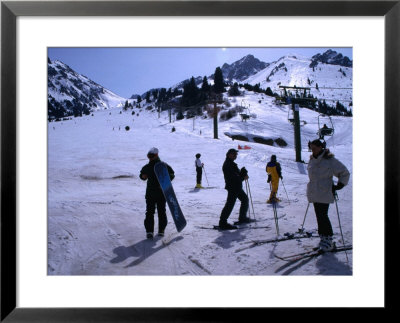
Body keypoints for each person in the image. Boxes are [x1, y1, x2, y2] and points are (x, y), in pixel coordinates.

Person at [307, 139, 350, 251]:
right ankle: (323, 238)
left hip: (325, 192)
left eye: (315, 148)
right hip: (314, 192)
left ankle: (329, 240)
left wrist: (340, 184)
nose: (313, 150)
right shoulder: (312, 160)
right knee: (319, 216)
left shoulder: (329, 160)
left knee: (323, 215)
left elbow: (344, 172)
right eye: (311, 148)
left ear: (321, 147)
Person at [139, 147, 175, 239]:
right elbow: (142, 175)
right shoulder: (147, 167)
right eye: (149, 156)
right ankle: (149, 231)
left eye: (152, 156)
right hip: (150, 193)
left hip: (161, 193)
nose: (150, 158)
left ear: (156, 155)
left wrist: (166, 180)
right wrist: (143, 176)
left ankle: (161, 230)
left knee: (161, 212)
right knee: (150, 212)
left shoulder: (163, 165)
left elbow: (172, 174)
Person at [219, 148, 250, 230]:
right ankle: (222, 222)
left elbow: (238, 176)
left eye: (236, 154)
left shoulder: (231, 163)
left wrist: (243, 173)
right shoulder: (228, 164)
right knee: (230, 204)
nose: (235, 156)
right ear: (229, 154)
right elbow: (235, 178)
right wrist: (243, 176)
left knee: (245, 199)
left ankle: (242, 218)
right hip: (233, 187)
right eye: (234, 154)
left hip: (237, 187)